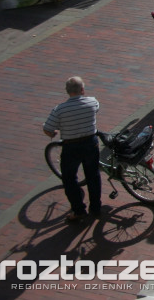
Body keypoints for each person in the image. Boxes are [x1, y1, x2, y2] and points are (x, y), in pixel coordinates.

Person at [43, 77, 102, 223]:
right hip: (91, 143)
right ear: (82, 90)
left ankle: (79, 211)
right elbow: (96, 109)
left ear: (67, 91)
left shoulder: (59, 110)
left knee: (69, 179)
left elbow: (48, 129)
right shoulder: (92, 102)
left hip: (71, 146)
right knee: (93, 176)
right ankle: (95, 208)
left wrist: (53, 133)